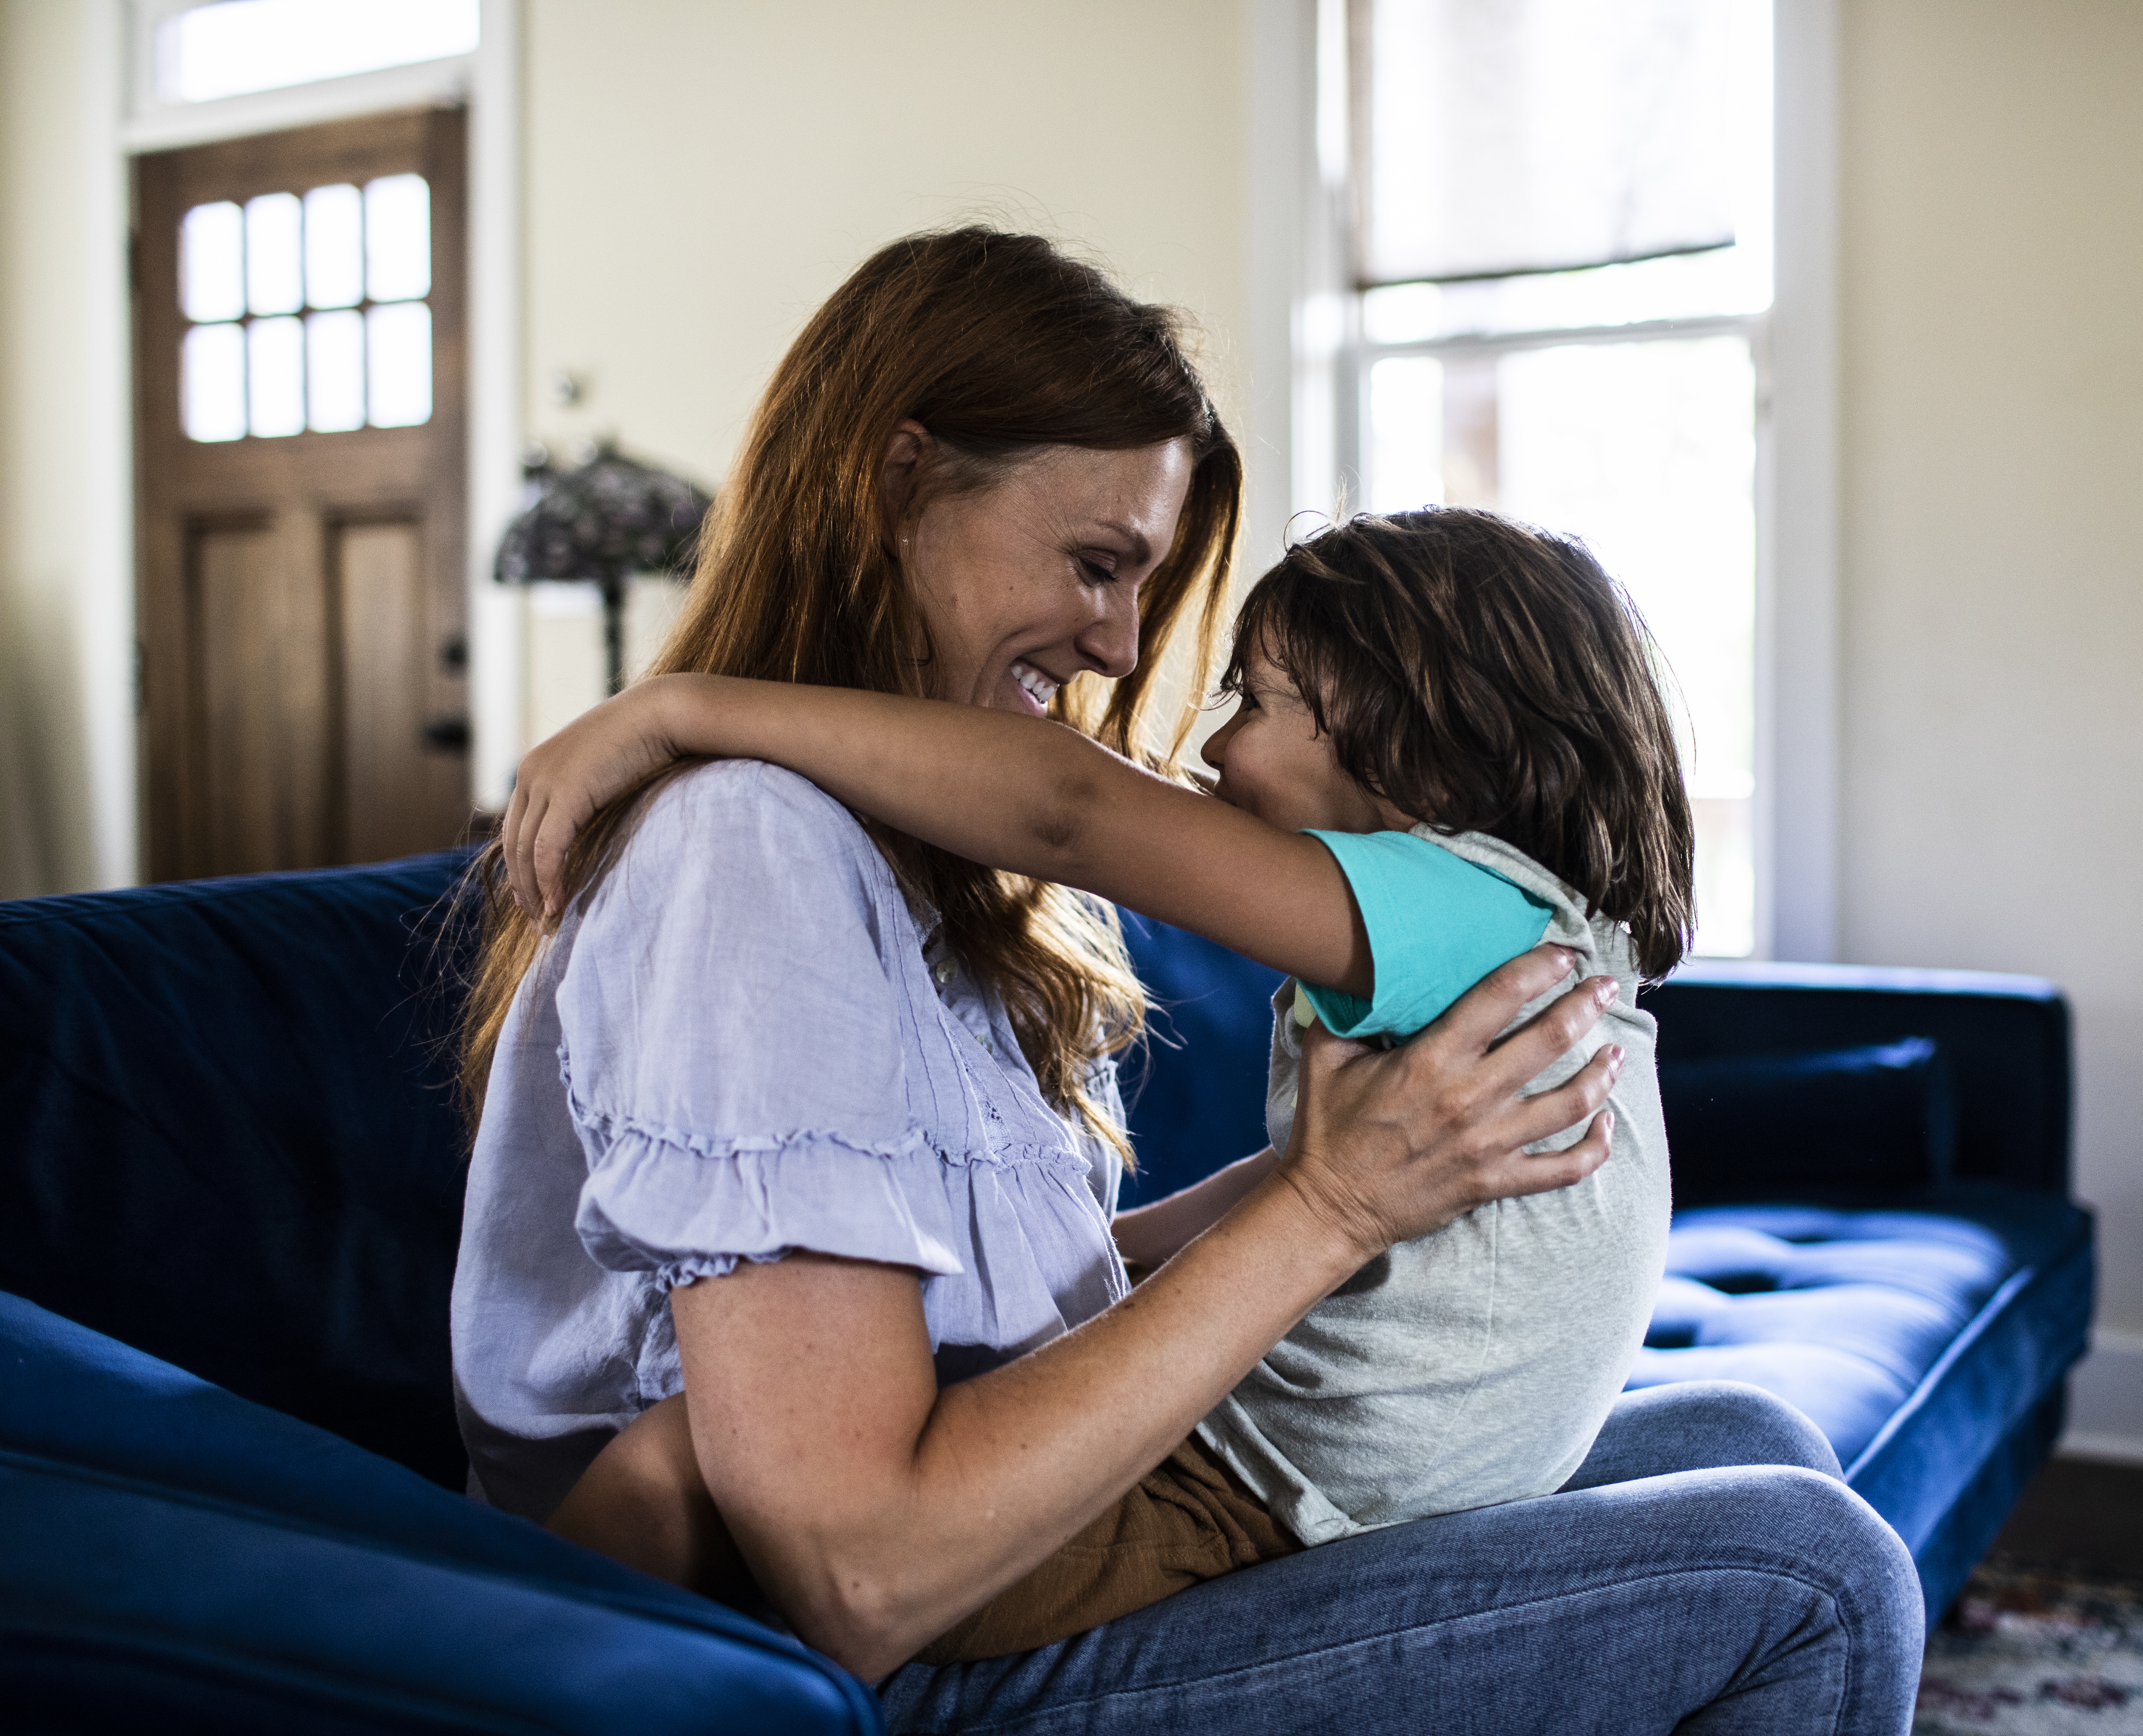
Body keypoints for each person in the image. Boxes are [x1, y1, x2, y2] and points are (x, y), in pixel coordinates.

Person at [454, 226, 1922, 1733]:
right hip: (909, 1635)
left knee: (1748, 1436)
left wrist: (1363, 1169)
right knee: (1811, 1572)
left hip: (1033, 1487)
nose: (1122, 649)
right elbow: (861, 1573)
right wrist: (1331, 1204)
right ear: (895, 484)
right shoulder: (749, 839)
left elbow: (981, 1292)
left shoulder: (915, 870)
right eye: (1097, 565)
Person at [508, 506, 1695, 1665]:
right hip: (1377, 1484)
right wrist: (1110, 1251)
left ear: (1415, 748)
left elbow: (1069, 810)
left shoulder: (1456, 908)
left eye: (1256, 702)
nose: (1215, 751)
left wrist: (681, 709)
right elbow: (1307, 1180)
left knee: (682, 1471)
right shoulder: (1536, 942)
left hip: (1239, 1497)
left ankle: (492, 1667)